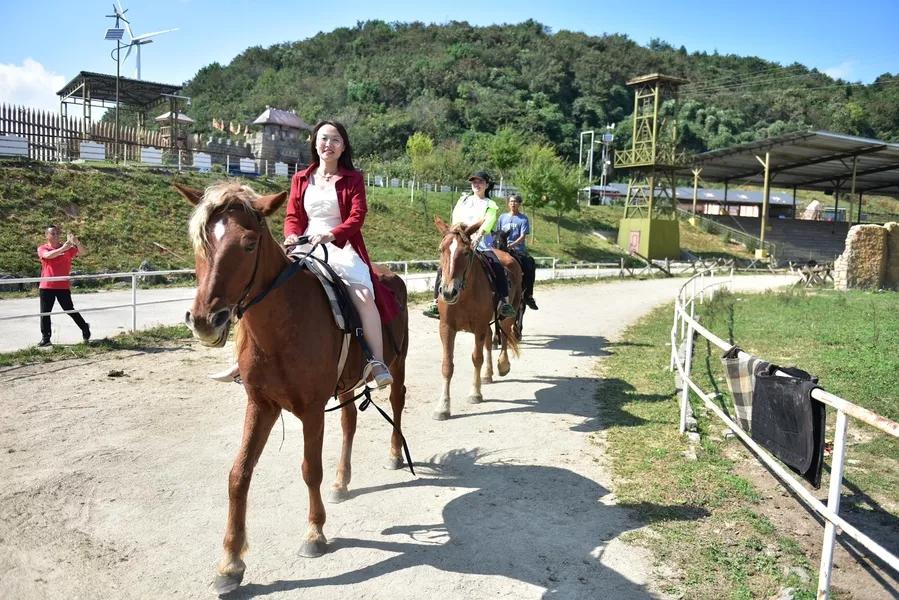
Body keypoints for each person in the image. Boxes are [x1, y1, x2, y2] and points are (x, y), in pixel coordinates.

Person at [210, 120, 399, 388]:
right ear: (314, 143)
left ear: (343, 146)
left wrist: (331, 234)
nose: (328, 145)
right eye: (323, 139)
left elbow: (357, 217)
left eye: (335, 140)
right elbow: (293, 215)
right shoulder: (300, 178)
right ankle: (243, 357)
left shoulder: (354, 178)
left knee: (364, 294)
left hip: (340, 246)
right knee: (261, 289)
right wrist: (291, 234)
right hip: (304, 243)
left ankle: (376, 361)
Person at [423, 171, 516, 320]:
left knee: (497, 265)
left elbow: (489, 220)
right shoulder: (463, 200)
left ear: (486, 185)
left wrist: (480, 234)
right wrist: (455, 234)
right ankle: (436, 301)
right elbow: (456, 218)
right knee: (444, 266)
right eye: (474, 182)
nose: (476, 185)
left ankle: (504, 302)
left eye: (480, 182)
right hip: (461, 240)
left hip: (480, 243)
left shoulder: (490, 204)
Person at [36, 225, 91, 346]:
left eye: (57, 233)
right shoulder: (42, 248)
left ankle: (84, 327)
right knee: (45, 313)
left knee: (69, 309)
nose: (56, 236)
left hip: (62, 285)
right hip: (47, 285)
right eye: (53, 234)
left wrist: (77, 242)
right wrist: (63, 249)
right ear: (47, 236)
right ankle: (46, 338)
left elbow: (84, 253)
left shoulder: (67, 248)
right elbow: (48, 256)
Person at [497, 194, 538, 310]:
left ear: (519, 204)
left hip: (517, 250)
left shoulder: (523, 219)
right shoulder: (502, 217)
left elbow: (522, 236)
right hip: (502, 249)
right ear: (508, 203)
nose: (513, 204)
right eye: (511, 201)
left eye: (515, 202)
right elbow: (499, 233)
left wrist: (511, 245)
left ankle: (528, 295)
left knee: (530, 265)